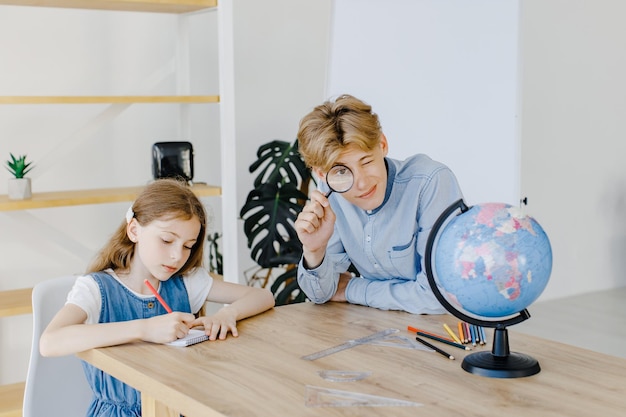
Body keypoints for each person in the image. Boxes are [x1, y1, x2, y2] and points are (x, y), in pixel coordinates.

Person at [40, 178, 275, 417]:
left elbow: (262, 296)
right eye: (166, 240)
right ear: (134, 230)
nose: (176, 256)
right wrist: (145, 328)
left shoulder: (187, 282)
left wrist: (227, 314)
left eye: (188, 246)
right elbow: (50, 341)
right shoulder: (96, 289)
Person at [294, 94, 464, 314]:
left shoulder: (430, 181)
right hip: (377, 329)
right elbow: (321, 294)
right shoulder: (330, 194)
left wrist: (352, 289)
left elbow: (440, 296)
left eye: (366, 162)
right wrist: (314, 250)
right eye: (342, 172)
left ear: (382, 144)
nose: (362, 184)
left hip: (443, 331)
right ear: (322, 175)